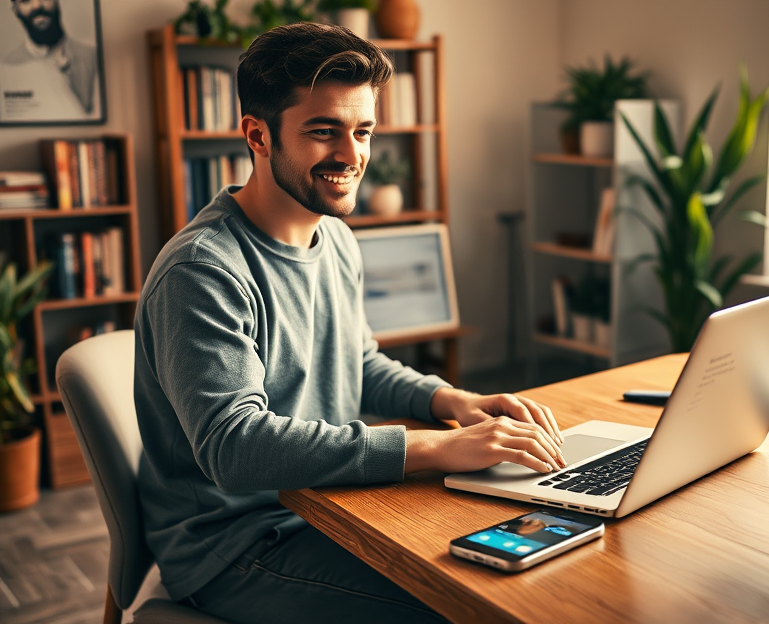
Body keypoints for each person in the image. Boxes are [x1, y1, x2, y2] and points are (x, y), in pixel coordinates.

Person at [134, 22, 566, 624]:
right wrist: (435, 448)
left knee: (528, 558)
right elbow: (235, 450)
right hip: (238, 546)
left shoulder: (334, 236)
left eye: (362, 131)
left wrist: (452, 402)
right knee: (473, 605)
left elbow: (356, 362)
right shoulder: (202, 271)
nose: (352, 155)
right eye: (323, 131)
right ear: (256, 135)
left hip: (327, 505)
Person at [1, 0, 98, 122]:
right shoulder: (8, 67)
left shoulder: (92, 56)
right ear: (16, 10)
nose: (37, 5)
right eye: (25, 0)